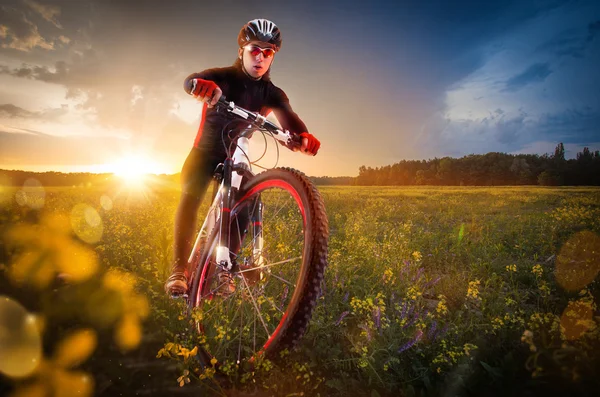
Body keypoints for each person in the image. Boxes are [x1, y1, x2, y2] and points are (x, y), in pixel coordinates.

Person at [165, 18, 321, 296]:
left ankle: (226, 269)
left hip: (237, 157)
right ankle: (179, 270)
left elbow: (289, 119)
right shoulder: (224, 76)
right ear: (241, 51)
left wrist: (303, 137)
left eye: (268, 52)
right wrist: (199, 86)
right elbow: (191, 80)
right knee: (190, 197)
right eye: (254, 50)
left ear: (273, 56)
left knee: (245, 204)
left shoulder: (272, 93)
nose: (260, 57)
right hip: (205, 153)